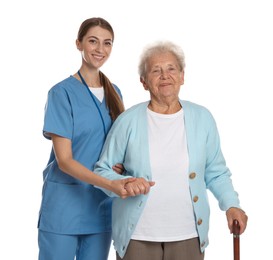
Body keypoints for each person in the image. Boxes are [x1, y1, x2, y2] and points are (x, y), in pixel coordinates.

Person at [94, 41, 248, 260]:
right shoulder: (127, 121)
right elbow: (102, 171)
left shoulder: (203, 118)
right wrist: (124, 183)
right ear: (144, 82)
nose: (164, 76)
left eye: (171, 69)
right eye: (155, 71)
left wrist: (232, 205)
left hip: (189, 234)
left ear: (182, 76)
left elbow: (216, 171)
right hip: (138, 235)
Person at [37, 17, 139, 260]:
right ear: (78, 44)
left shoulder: (116, 92)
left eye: (107, 43)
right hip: (64, 207)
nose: (100, 49)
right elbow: (65, 160)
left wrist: (120, 167)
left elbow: (117, 147)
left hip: (100, 207)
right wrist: (109, 183)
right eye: (93, 41)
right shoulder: (61, 93)